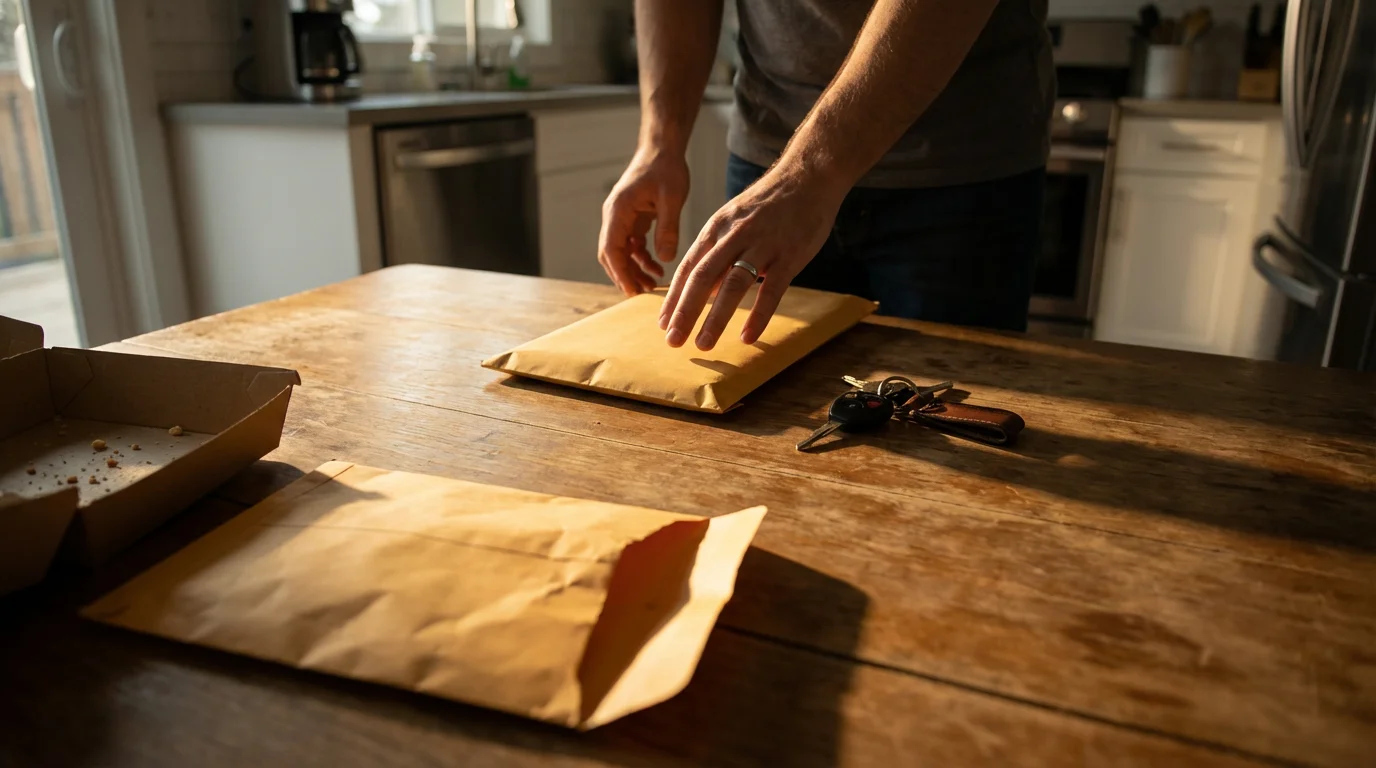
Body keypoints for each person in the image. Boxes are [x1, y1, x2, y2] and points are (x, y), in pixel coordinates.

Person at [597, 1, 1054, 351]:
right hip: (769, 174)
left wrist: (809, 171)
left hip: (961, 172)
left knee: (951, 430)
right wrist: (660, 141)